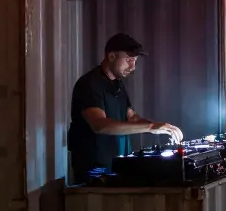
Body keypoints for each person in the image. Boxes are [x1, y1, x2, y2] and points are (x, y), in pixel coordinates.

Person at [68, 33, 183, 182]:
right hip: (94, 172)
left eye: (135, 61)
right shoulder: (89, 84)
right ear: (111, 56)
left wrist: (162, 127)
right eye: (129, 60)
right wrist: (150, 127)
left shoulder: (118, 85)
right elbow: (99, 125)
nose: (132, 67)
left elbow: (132, 117)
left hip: (116, 168)